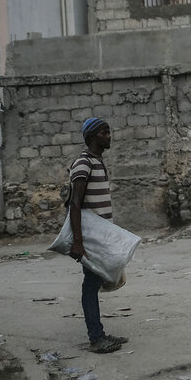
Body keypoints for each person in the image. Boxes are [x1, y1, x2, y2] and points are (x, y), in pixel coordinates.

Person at [68, 118, 129, 354]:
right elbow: (75, 203)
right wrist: (78, 242)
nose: (109, 136)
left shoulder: (97, 162)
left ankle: (99, 333)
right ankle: (96, 337)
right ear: (93, 137)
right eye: (105, 132)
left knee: (94, 283)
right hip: (90, 239)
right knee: (90, 285)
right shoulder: (83, 163)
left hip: (101, 237)